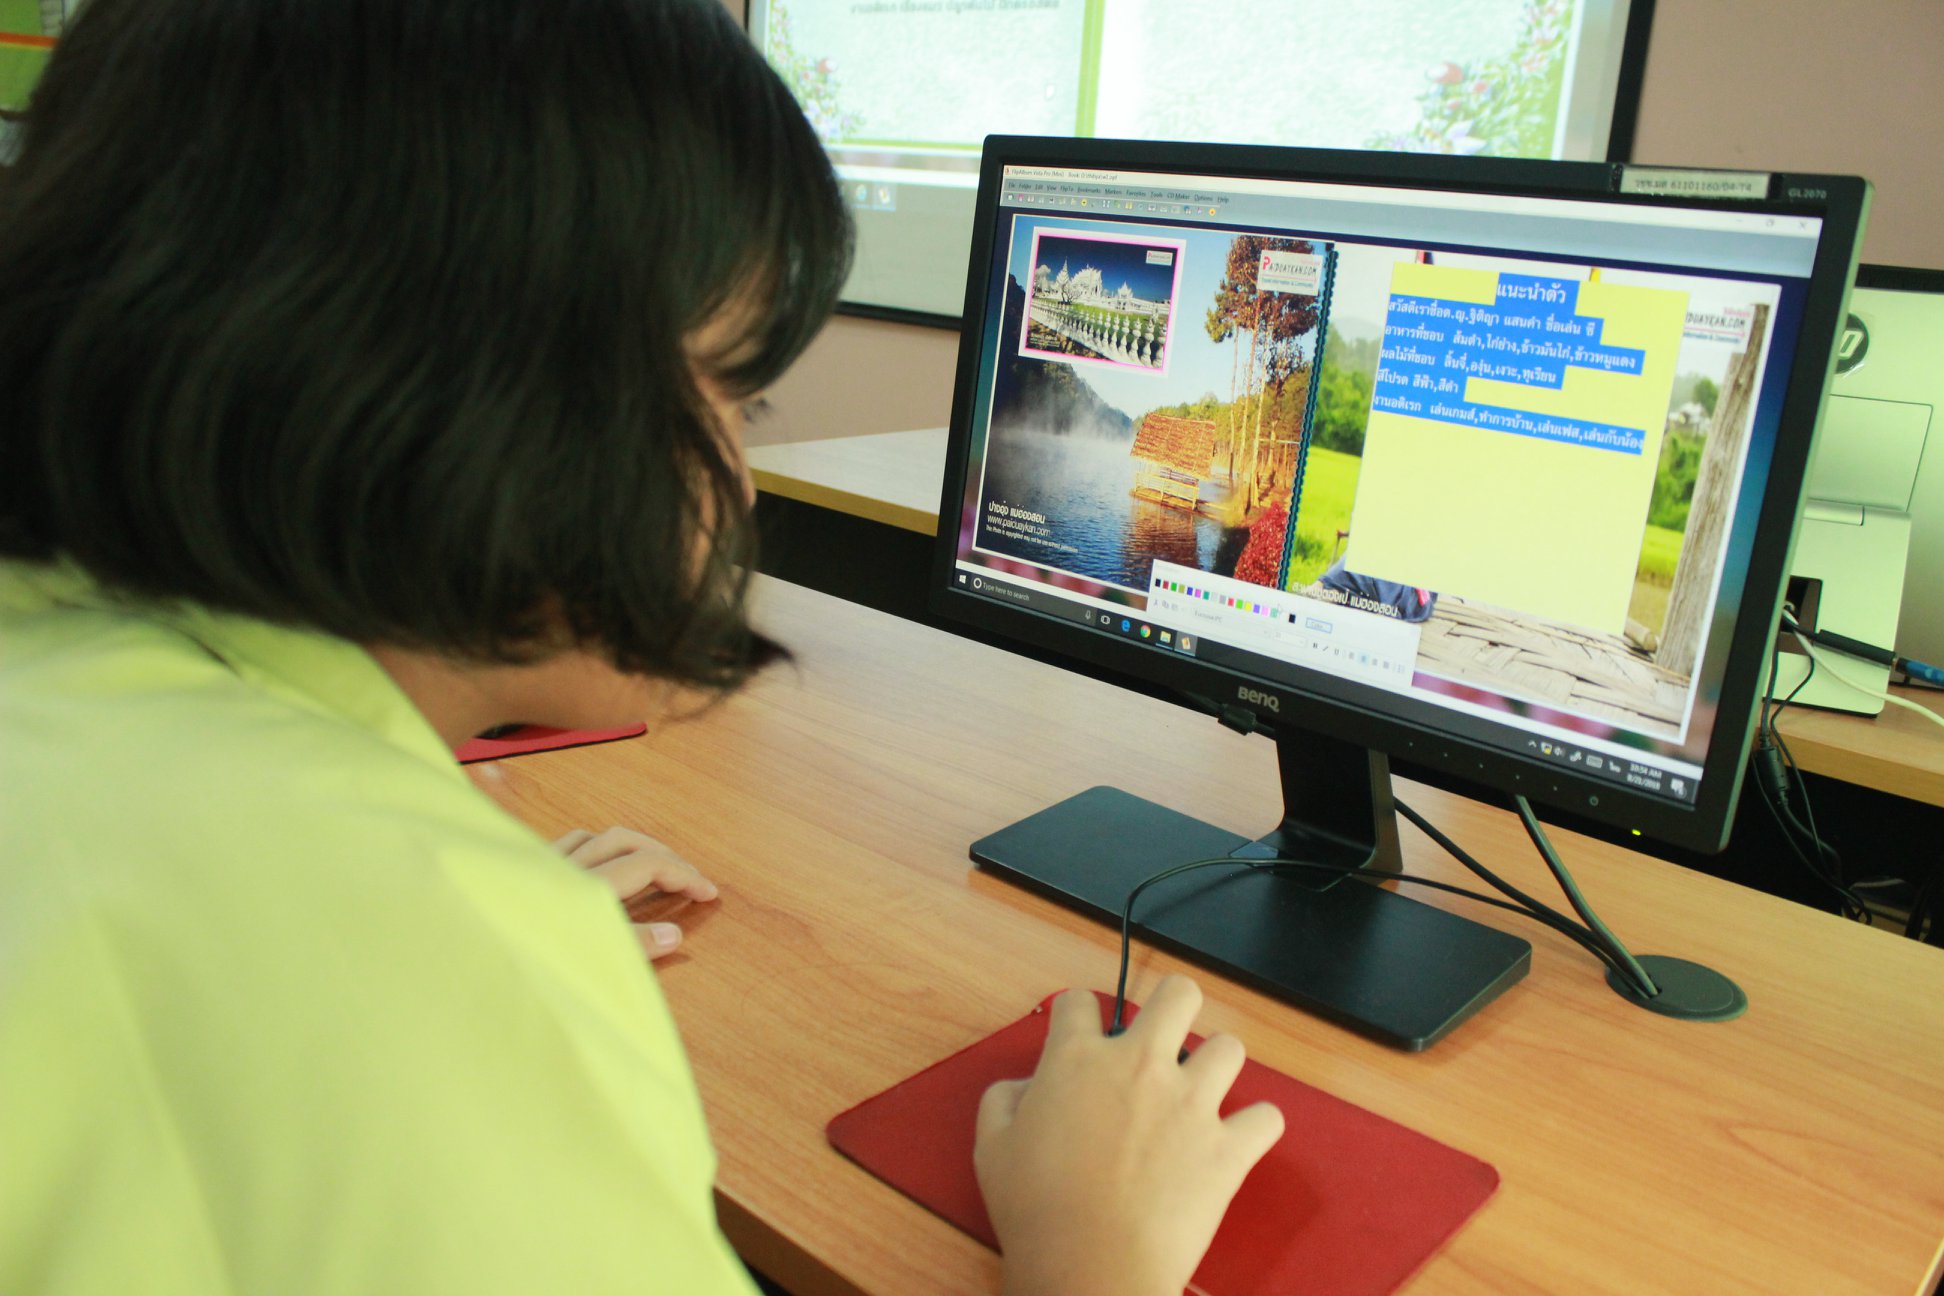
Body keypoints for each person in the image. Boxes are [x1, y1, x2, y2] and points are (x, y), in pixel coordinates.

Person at [0, 2, 1284, 1293]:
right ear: (470, 395)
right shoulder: (401, 971)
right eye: (734, 393)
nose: (742, 481)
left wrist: (458, 906)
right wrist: (1089, 1257)